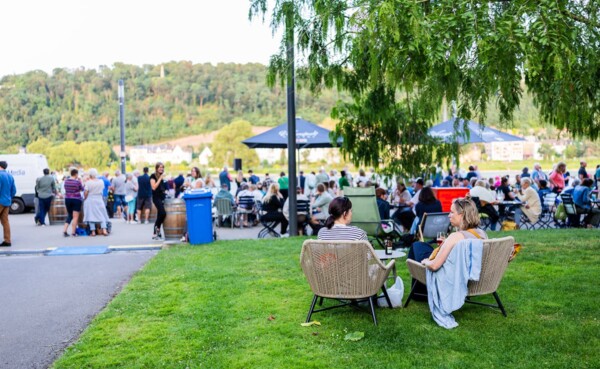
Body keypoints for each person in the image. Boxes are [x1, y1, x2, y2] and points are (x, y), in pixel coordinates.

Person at [410, 198, 487, 270]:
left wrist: (425, 261)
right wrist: (447, 242)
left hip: (445, 277)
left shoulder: (456, 236)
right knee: (422, 246)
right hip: (465, 272)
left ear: (462, 215)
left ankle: (418, 280)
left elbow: (434, 266)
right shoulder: (482, 234)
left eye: (452, 212)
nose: (449, 215)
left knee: (417, 245)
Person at [83, 169, 110, 236]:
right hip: (99, 199)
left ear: (90, 175)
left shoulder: (88, 182)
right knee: (102, 214)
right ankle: (104, 230)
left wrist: (85, 198)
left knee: (91, 215)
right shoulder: (101, 182)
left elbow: (86, 192)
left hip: (91, 199)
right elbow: (102, 189)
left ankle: (93, 231)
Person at [62, 168, 84, 237]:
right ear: (76, 174)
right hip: (76, 199)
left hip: (67, 199)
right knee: (75, 217)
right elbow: (82, 189)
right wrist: (81, 181)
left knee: (70, 215)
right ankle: (73, 232)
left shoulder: (66, 181)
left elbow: (65, 189)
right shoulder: (77, 182)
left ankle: (65, 230)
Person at [0, 161, 16, 246]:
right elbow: (14, 190)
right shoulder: (10, 176)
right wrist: (9, 197)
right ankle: (7, 240)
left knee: (5, 221)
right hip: (7, 201)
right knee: (5, 221)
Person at [150, 162, 168, 240]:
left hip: (162, 197)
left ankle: (156, 232)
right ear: (156, 168)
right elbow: (153, 187)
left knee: (160, 214)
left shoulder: (163, 177)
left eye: (162, 167)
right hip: (156, 197)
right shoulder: (153, 176)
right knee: (162, 213)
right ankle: (157, 229)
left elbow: (165, 187)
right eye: (160, 167)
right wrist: (160, 178)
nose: (161, 168)